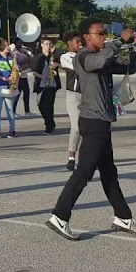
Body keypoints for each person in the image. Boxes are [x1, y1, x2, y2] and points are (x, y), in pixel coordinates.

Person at [46, 19, 136, 241]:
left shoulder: (101, 57)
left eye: (105, 33)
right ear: (87, 37)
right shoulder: (83, 57)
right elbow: (101, 60)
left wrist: (135, 47)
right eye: (100, 33)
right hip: (92, 122)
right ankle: (59, 215)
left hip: (101, 120)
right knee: (84, 172)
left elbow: (129, 68)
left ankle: (123, 216)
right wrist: (119, 40)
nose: (104, 37)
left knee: (109, 172)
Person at [59, 31, 83, 170]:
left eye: (80, 42)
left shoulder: (85, 55)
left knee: (88, 127)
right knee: (76, 127)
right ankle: (71, 156)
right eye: (77, 42)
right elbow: (77, 66)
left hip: (87, 94)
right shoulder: (65, 57)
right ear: (69, 43)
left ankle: (86, 157)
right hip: (73, 95)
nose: (80, 45)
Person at [0, 40, 18, 138]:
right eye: (5, 46)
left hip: (9, 86)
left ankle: (12, 130)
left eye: (7, 46)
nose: (7, 47)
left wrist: (15, 59)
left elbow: (16, 70)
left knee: (10, 109)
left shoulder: (11, 58)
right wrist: (3, 78)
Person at [33, 39, 61, 133]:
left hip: (52, 84)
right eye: (46, 44)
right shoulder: (38, 57)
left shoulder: (53, 57)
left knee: (49, 106)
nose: (48, 46)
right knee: (41, 105)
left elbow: (62, 65)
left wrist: (57, 64)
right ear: (42, 45)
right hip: (41, 84)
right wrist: (42, 76)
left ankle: (49, 126)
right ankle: (50, 122)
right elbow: (34, 71)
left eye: (49, 44)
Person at [11, 44, 32, 115]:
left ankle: (27, 111)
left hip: (23, 75)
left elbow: (30, 55)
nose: (20, 43)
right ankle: (13, 111)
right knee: (17, 94)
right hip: (17, 76)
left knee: (26, 93)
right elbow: (11, 55)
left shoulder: (23, 49)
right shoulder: (12, 47)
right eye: (19, 42)